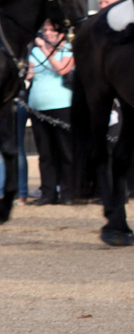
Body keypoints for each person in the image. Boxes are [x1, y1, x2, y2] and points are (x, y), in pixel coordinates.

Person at [26, 19, 73, 205]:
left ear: (60, 32)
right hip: (38, 106)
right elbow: (29, 74)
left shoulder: (67, 49)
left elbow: (62, 69)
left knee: (66, 151)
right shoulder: (34, 51)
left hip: (62, 105)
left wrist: (47, 50)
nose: (46, 33)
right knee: (45, 153)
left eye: (51, 30)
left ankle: (69, 192)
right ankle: (48, 192)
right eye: (44, 29)